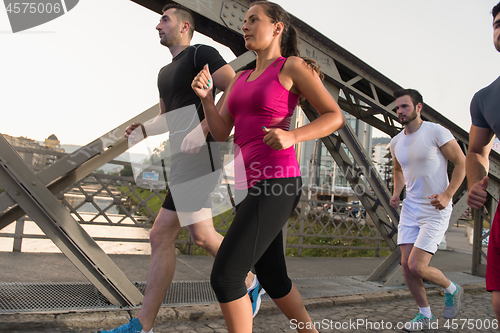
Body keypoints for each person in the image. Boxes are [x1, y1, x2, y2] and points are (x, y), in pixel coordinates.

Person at [96, 4, 261, 333]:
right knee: (197, 235)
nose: (158, 25)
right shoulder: (164, 73)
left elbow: (236, 87)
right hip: (182, 157)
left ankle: (143, 326)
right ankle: (250, 279)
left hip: (204, 152)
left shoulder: (202, 53)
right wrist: (144, 129)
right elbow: (166, 118)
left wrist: (203, 128)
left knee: (161, 235)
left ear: (184, 26)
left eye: (164, 19)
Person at [191, 2, 345, 332]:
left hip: (278, 182)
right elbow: (222, 132)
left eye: (253, 20)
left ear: (277, 28)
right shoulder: (240, 78)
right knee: (273, 278)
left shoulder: (291, 67)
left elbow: (335, 116)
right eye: (243, 20)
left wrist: (292, 136)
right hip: (249, 185)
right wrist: (206, 99)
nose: (244, 26)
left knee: (227, 277)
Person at [389, 89, 466, 331]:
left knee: (417, 266)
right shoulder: (395, 142)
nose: (400, 111)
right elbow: (399, 170)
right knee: (405, 264)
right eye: (397, 108)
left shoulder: (436, 131)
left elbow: (462, 162)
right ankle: (425, 315)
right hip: (410, 208)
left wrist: (447, 195)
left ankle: (452, 288)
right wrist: (396, 192)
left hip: (436, 208)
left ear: (419, 107)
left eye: (405, 107)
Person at [466, 1, 500, 322]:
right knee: (498, 302)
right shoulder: (485, 98)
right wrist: (476, 183)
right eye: (498, 23)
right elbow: (476, 150)